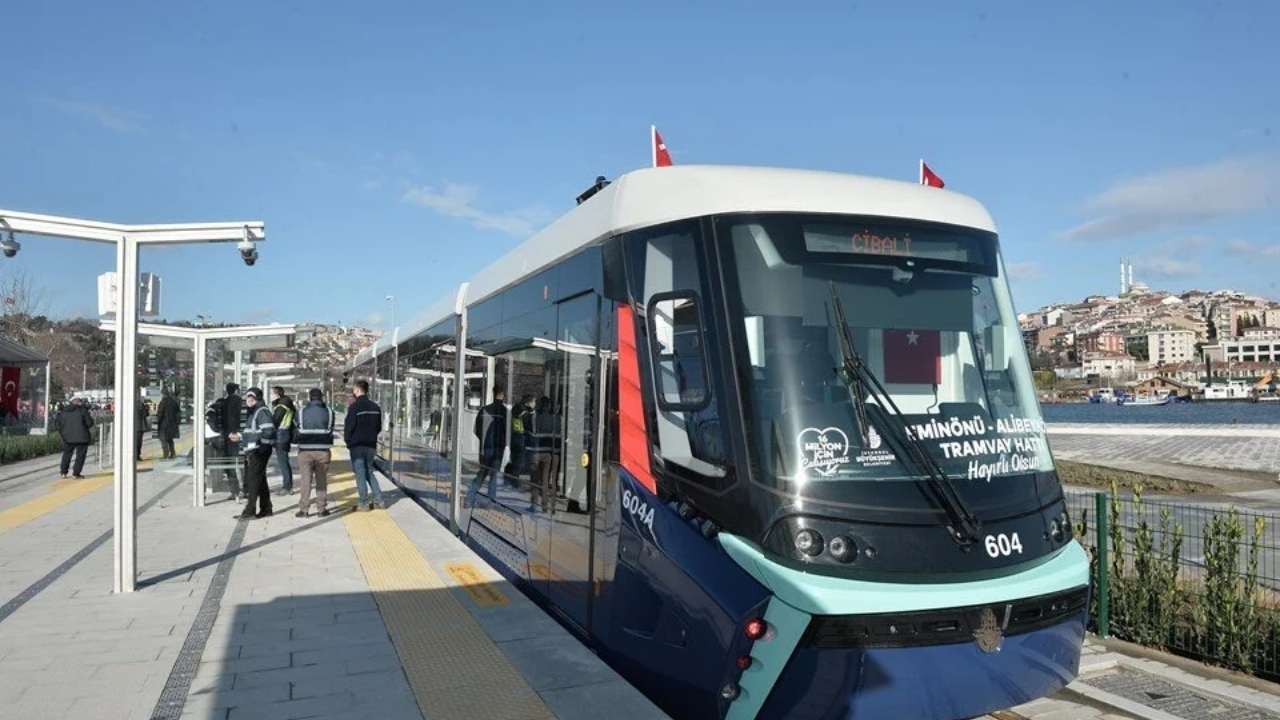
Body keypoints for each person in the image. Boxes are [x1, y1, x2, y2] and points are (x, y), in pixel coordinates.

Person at [229, 387, 275, 519]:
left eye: (252, 397)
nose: (249, 400)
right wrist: (241, 435)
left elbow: (269, 431)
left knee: (252, 480)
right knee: (260, 480)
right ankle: (266, 508)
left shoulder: (261, 412)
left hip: (259, 450)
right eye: (248, 397)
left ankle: (250, 511)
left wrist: (243, 437)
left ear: (258, 398)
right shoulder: (255, 412)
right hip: (257, 449)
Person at [344, 380, 385, 511]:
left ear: (357, 390)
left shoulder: (354, 407)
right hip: (371, 445)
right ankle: (379, 500)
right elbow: (378, 427)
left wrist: (348, 442)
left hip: (357, 445)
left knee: (360, 474)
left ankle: (363, 503)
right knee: (369, 472)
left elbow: (349, 427)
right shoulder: (375, 407)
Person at [295, 387, 334, 517]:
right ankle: (321, 509)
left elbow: (297, 427)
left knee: (305, 480)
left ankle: (304, 510)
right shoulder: (329, 412)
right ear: (322, 397)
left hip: (305, 451)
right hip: (323, 451)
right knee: (321, 480)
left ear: (309, 398)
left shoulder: (300, 412)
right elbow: (331, 428)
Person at [469, 387, 508, 501]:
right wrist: (504, 443)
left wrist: (483, 440)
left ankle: (470, 495)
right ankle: (491, 499)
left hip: (485, 448)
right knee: (494, 475)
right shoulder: (505, 412)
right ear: (503, 395)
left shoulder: (484, 410)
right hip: (498, 449)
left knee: (483, 472)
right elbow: (508, 432)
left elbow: (476, 429)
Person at [55, 397, 94, 479]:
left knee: (67, 454)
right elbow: (90, 423)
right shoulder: (82, 410)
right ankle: (76, 473)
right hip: (82, 437)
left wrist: (63, 433)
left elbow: (58, 424)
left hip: (67, 437)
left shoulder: (64, 411)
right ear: (79, 402)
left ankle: (63, 472)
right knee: (80, 456)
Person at [270, 386, 297, 495]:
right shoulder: (285, 404)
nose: (270, 396)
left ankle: (287, 486)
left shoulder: (281, 406)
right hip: (285, 434)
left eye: (271, 393)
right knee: (284, 461)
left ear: (277, 394)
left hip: (281, 435)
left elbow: (275, 421)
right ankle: (287, 485)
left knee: (283, 462)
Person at [155, 388, 180, 460]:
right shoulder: (173, 402)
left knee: (163, 439)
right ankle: (173, 453)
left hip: (164, 424)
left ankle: (165, 454)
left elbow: (160, 414)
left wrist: (157, 422)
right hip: (172, 424)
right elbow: (178, 412)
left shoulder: (163, 402)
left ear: (163, 394)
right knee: (170, 439)